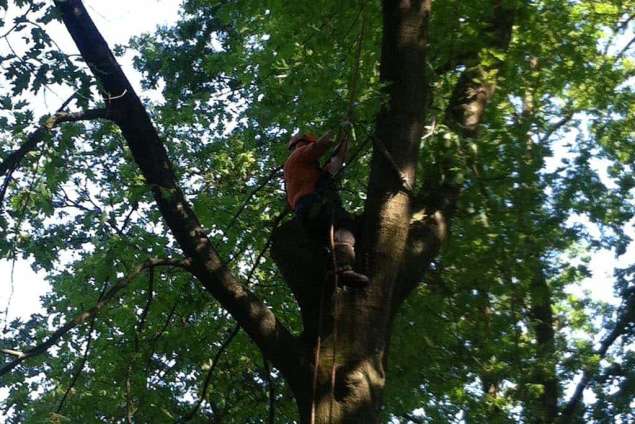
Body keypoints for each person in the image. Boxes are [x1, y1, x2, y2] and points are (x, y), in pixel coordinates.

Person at [283, 129, 369, 287]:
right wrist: (340, 127)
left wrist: (345, 139)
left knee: (337, 239)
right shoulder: (297, 156)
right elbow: (322, 145)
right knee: (344, 223)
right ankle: (343, 269)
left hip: (309, 214)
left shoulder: (314, 173)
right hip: (313, 206)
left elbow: (337, 162)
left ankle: (332, 274)